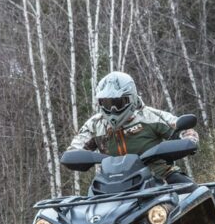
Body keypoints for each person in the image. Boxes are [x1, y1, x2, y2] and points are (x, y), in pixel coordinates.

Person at [69, 71, 198, 184]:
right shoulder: (95, 125)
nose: (113, 109)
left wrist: (188, 140)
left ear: (132, 98)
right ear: (100, 103)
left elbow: (182, 129)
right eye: (107, 103)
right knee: (85, 210)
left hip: (159, 178)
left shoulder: (150, 116)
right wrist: (73, 156)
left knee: (192, 193)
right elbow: (75, 149)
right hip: (112, 184)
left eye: (118, 103)